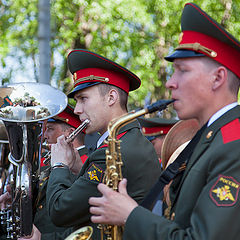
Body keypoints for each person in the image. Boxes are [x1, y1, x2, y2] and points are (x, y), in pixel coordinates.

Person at [89, 2, 240, 239]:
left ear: (217, 78)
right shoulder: (212, 136)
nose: (170, 82)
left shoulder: (233, 145)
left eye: (182, 70)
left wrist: (131, 215)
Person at [46, 49, 161, 239]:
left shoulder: (114, 149)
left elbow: (60, 211)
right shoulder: (127, 139)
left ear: (111, 97)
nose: (78, 110)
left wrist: (59, 165)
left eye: (83, 99)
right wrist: (77, 168)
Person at [0, 104, 88, 240]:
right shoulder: (51, 164)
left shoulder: (84, 163)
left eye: (50, 129)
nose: (44, 136)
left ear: (70, 133)